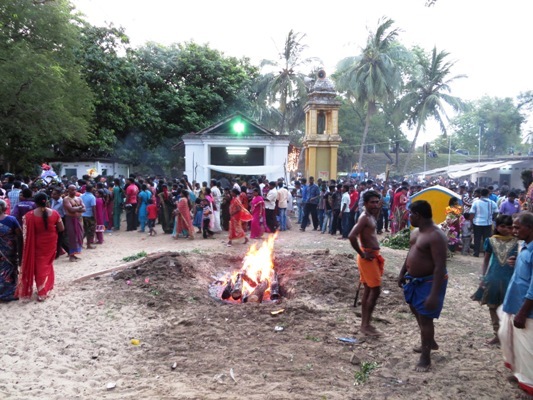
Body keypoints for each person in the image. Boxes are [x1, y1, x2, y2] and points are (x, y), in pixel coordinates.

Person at [397, 200, 448, 372]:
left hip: (429, 281)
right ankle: (429, 341)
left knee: (426, 318)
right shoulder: (416, 232)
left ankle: (425, 358)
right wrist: (402, 272)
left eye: (410, 214)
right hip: (413, 279)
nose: (408, 217)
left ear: (417, 215)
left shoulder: (436, 236)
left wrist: (434, 294)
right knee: (415, 309)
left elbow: (440, 266)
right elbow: (410, 253)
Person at [498, 211, 533, 396]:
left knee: (527, 348)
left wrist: (523, 312)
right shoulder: (525, 246)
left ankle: (529, 384)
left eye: (518, 227)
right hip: (514, 302)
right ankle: (518, 372)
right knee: (507, 336)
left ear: (530, 228)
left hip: (526, 309)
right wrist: (516, 262)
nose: (514, 230)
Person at [471, 215, 517, 345]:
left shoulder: (518, 242)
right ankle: (497, 335)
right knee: (493, 307)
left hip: (511, 280)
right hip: (493, 278)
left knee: (509, 309)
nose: (506, 229)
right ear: (496, 227)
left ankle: (509, 336)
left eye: (509, 227)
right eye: (503, 226)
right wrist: (482, 277)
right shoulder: (490, 241)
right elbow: (485, 261)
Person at [15, 192, 64, 301]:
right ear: (47, 201)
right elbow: (61, 229)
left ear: (35, 202)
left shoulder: (29, 216)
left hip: (36, 244)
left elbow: (24, 233)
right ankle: (43, 289)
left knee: (39, 266)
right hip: (51, 243)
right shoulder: (55, 213)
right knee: (46, 264)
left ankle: (42, 291)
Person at [348, 190, 384, 336]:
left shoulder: (371, 215)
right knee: (375, 290)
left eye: (377, 202)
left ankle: (366, 324)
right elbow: (351, 236)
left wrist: (377, 207)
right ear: (365, 203)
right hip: (367, 257)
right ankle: (365, 325)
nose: (375, 204)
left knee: (369, 289)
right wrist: (362, 253)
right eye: (372, 202)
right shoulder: (364, 217)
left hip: (373, 256)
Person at [0, 199, 22, 301]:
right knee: (9, 270)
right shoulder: (11, 220)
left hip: (3, 251)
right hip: (9, 251)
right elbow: (19, 235)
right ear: (5, 208)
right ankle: (9, 293)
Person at [470, 188, 498, 257]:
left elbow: (472, 213)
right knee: (487, 239)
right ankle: (486, 253)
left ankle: (476, 253)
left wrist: (471, 222)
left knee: (477, 238)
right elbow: (496, 212)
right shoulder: (492, 203)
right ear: (488, 194)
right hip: (488, 223)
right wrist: (492, 218)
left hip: (477, 223)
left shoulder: (476, 202)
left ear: (480, 194)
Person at [62, 184, 85, 262]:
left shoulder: (79, 198)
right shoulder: (66, 199)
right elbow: (70, 210)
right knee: (72, 237)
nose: (74, 191)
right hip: (70, 220)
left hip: (79, 219)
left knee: (80, 236)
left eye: (75, 189)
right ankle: (71, 255)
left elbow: (84, 209)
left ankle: (75, 254)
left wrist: (76, 209)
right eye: (72, 190)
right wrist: (79, 208)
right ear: (68, 190)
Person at [81, 184, 97, 249]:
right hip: (89, 215)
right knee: (90, 231)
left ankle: (80, 243)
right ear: (91, 189)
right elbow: (93, 208)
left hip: (82, 215)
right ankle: (88, 244)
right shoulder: (92, 197)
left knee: (84, 230)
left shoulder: (81, 196)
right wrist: (95, 217)